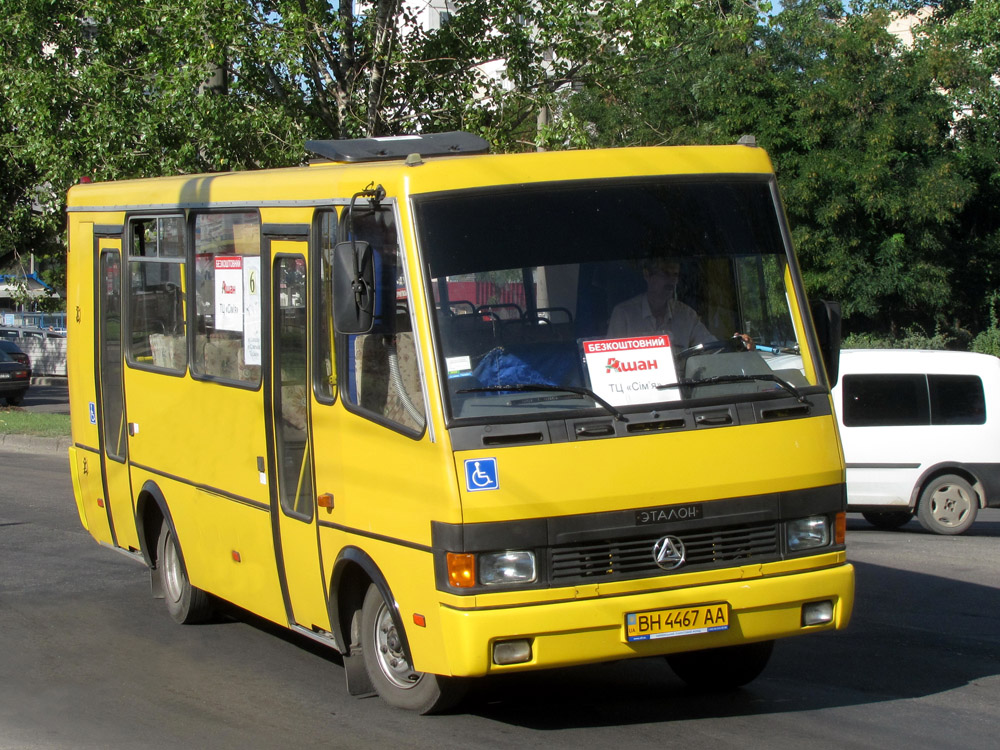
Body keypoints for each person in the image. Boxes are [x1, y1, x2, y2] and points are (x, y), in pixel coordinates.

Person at [606, 258, 752, 350]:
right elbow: (609, 362)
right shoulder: (624, 314)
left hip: (684, 396)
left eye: (675, 275)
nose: (671, 281)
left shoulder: (686, 316)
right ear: (647, 275)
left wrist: (736, 346)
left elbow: (712, 349)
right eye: (665, 274)